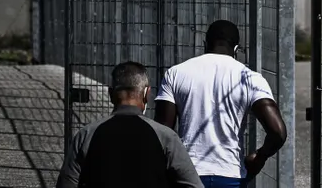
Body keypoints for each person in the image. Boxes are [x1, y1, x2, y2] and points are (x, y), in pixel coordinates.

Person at [155, 20, 288, 188]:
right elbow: (278, 132)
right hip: (230, 174)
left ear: (205, 44)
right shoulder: (250, 78)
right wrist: (259, 157)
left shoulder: (175, 73)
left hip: (188, 174)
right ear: (236, 50)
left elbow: (161, 132)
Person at [56, 61, 202, 188]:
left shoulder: (86, 134)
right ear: (146, 93)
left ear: (110, 93)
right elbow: (192, 184)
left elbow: (67, 183)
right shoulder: (165, 137)